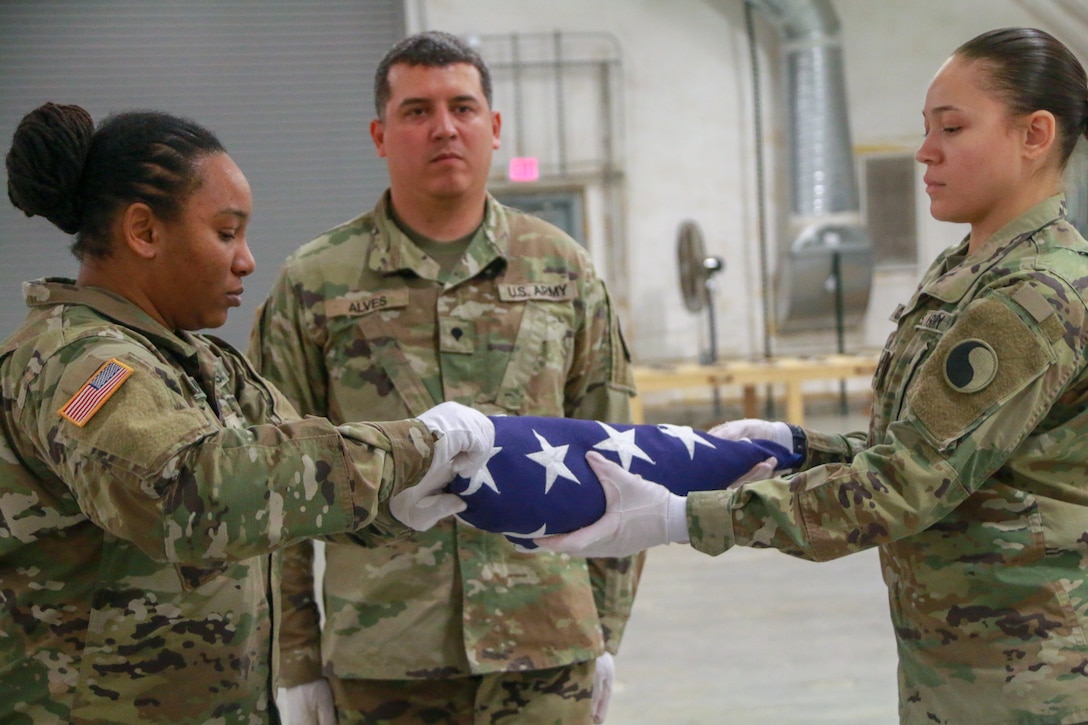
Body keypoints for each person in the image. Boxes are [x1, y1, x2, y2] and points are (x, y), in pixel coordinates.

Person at [524, 27, 1088, 725]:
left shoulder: (1030, 297)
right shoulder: (965, 274)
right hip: (958, 667)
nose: (926, 150)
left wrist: (680, 518)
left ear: (1035, 135)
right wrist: (797, 447)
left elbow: (900, 488)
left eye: (952, 127)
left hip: (1028, 683)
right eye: (925, 128)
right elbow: (927, 453)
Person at [0, 102, 493, 724]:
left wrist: (400, 499)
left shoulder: (199, 361)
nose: (247, 260)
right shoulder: (77, 363)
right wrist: (409, 448)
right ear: (144, 231)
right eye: (227, 232)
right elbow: (191, 492)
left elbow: (289, 474)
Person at [250, 30, 642, 725]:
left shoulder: (563, 269)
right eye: (416, 110)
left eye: (462, 108)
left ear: (493, 127)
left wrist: (603, 629)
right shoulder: (316, 282)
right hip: (383, 653)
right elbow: (275, 477)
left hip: (546, 644)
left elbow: (623, 455)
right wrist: (296, 658)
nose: (443, 128)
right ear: (380, 133)